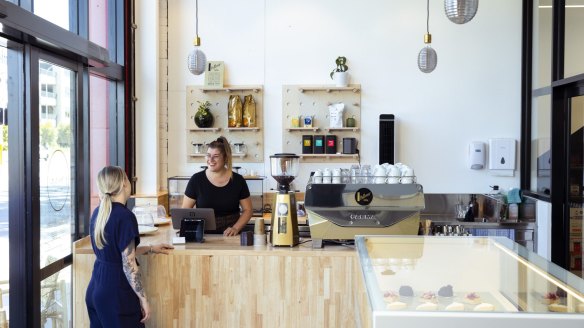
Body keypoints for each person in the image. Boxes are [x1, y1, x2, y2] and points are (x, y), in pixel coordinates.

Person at [86, 166, 174, 327]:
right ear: (124, 184)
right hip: (116, 292)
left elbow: (115, 253)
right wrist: (144, 299)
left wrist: (151, 248)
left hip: (96, 288)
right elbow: (128, 264)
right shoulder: (125, 216)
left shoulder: (98, 213)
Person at [182, 136, 253, 236]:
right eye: (208, 155)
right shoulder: (196, 180)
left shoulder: (238, 180)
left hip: (231, 237)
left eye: (215, 156)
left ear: (225, 158)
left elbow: (248, 210)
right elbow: (185, 210)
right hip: (203, 235)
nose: (210, 159)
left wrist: (235, 228)